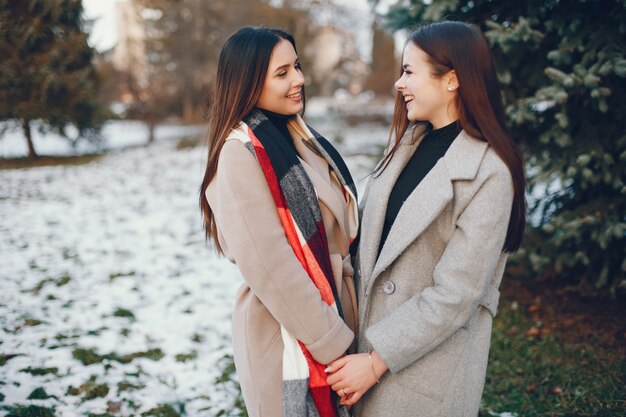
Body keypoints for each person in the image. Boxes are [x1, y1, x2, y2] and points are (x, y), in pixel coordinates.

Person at [325, 21, 526, 417]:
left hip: (424, 375)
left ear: (451, 80)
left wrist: (375, 362)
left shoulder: (490, 172)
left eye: (409, 72)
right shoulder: (407, 144)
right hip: (363, 358)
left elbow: (458, 294)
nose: (399, 84)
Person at [199, 27, 359, 417]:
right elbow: (272, 268)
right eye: (283, 72)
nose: (300, 79)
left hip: (336, 315)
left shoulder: (297, 137)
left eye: (298, 67)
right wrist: (335, 342)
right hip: (291, 335)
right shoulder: (240, 155)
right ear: (249, 83)